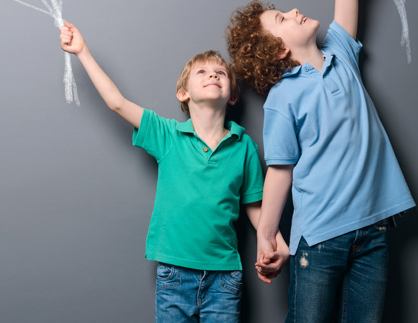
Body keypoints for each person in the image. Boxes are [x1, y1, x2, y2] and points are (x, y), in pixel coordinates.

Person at [224, 0, 416, 322]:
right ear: (276, 51)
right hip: (320, 238)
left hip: (373, 228)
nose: (293, 11)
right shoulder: (282, 98)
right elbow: (280, 170)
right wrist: (267, 236)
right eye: (282, 19)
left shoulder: (341, 53)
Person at [59, 22, 288, 323]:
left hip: (224, 277)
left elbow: (255, 206)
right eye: (202, 72)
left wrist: (276, 241)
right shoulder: (167, 135)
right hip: (175, 274)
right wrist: (82, 52)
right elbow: (116, 103)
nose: (213, 76)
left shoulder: (244, 146)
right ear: (183, 93)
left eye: (220, 73)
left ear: (232, 96)